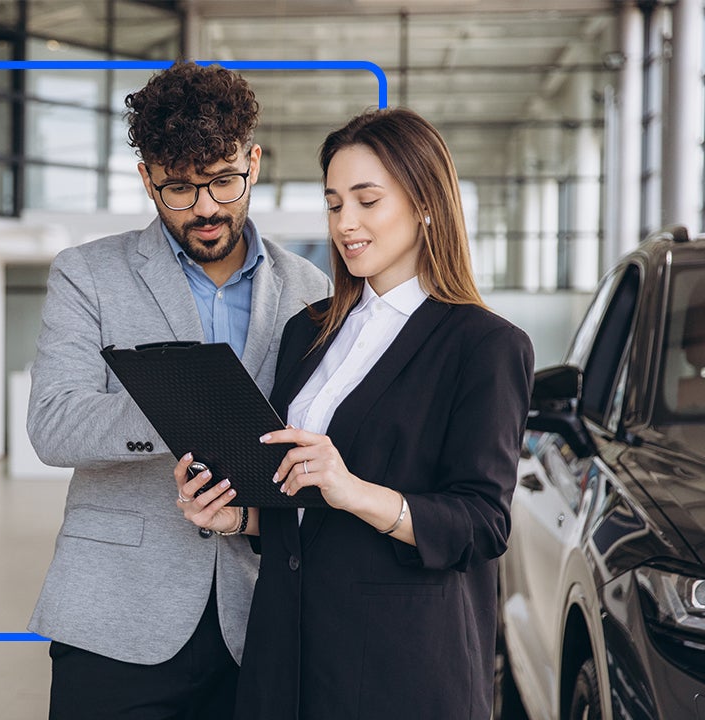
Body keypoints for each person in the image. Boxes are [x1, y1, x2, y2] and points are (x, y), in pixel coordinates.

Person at [174, 107, 535, 719]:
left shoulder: (485, 345)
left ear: (426, 203)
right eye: (335, 203)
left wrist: (353, 490)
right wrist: (238, 517)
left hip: (400, 665)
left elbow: (482, 523)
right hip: (286, 655)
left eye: (368, 201)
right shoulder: (307, 332)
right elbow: (305, 508)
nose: (347, 223)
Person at [27, 61, 331, 720]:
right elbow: (53, 425)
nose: (205, 208)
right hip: (113, 620)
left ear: (254, 160)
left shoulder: (310, 289)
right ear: (146, 178)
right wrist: (182, 409)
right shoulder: (87, 275)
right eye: (178, 189)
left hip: (256, 621)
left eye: (224, 180)